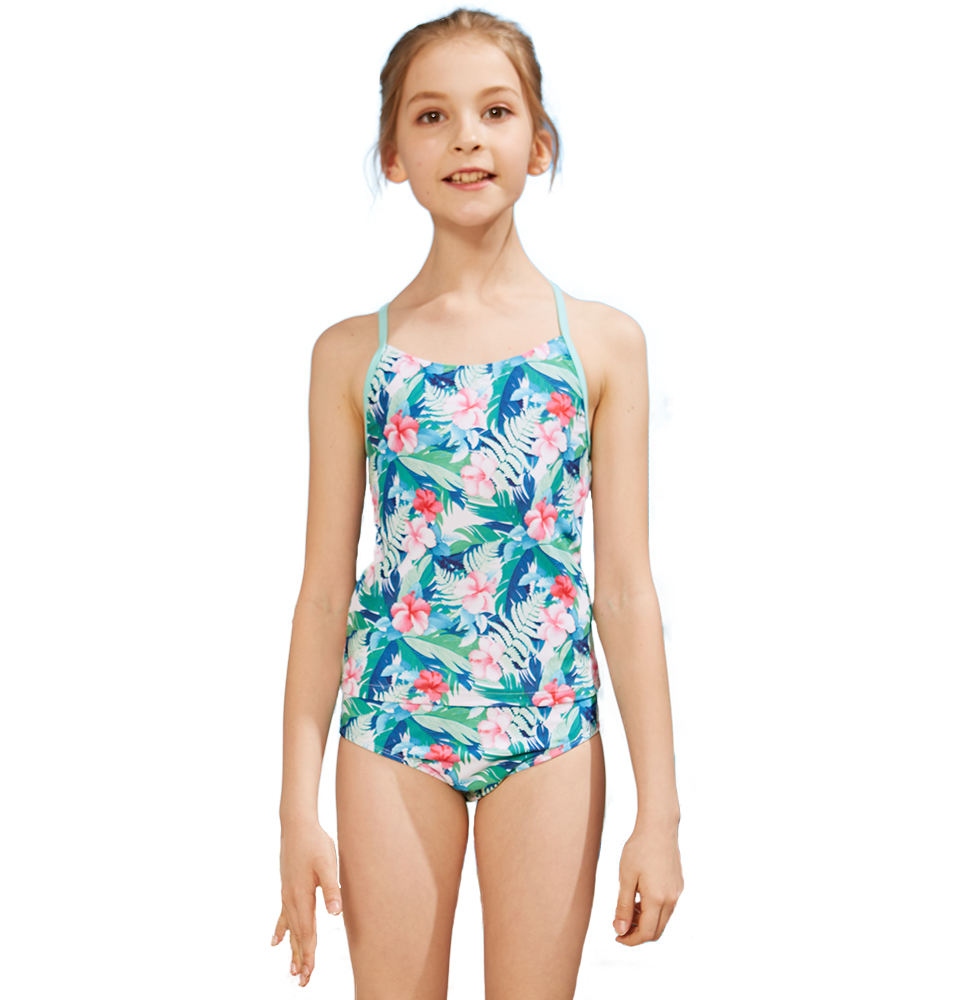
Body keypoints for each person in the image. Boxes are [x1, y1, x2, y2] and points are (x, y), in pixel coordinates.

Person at [272, 7, 683, 995]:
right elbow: (323, 594)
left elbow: (625, 590)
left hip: (548, 728)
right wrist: (295, 809)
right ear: (394, 155)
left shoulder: (601, 345)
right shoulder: (353, 356)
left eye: (495, 111)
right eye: (432, 116)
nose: (466, 137)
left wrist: (660, 812)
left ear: (538, 144)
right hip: (391, 725)